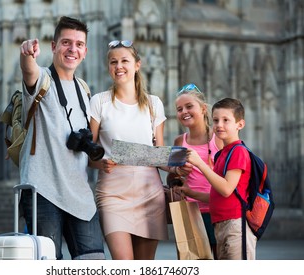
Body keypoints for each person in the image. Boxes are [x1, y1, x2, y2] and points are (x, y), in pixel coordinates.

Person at [18, 16, 105, 260]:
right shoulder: (43, 79)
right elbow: (29, 70)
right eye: (66, 42)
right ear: (54, 47)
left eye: (78, 44)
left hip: (79, 192)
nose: (72, 49)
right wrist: (26, 53)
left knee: (93, 261)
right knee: (49, 264)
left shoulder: (85, 89)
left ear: (85, 51)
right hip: (43, 190)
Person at [89, 40, 168, 260]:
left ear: (137, 65)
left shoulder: (154, 104)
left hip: (149, 193)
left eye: (125, 60)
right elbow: (88, 153)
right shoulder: (99, 102)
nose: (119, 66)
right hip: (113, 193)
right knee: (123, 265)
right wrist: (100, 162)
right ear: (108, 67)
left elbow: (158, 154)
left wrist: (178, 167)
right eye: (113, 62)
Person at [186, 97, 257, 260]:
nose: (219, 125)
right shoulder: (222, 153)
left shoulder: (238, 151)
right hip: (221, 224)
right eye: (216, 120)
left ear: (240, 124)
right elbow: (217, 195)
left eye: (226, 120)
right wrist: (190, 192)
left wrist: (199, 163)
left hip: (235, 225)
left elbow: (226, 189)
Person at [166, 83, 223, 259]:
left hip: (218, 210)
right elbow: (171, 179)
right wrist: (178, 172)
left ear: (204, 109)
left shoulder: (219, 137)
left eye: (189, 106)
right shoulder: (179, 141)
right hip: (191, 212)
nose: (184, 111)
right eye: (179, 109)